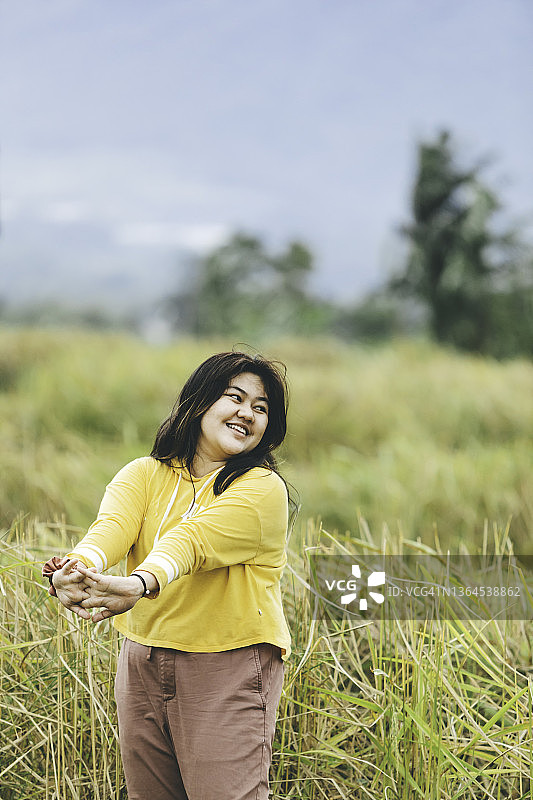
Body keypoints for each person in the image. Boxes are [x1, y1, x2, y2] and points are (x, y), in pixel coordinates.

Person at [42, 351, 292, 800]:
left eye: (260, 408)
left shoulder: (261, 489)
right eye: (234, 397)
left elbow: (192, 540)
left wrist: (138, 585)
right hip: (143, 662)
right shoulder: (144, 473)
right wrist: (78, 570)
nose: (246, 413)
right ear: (199, 402)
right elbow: (111, 530)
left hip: (227, 667)